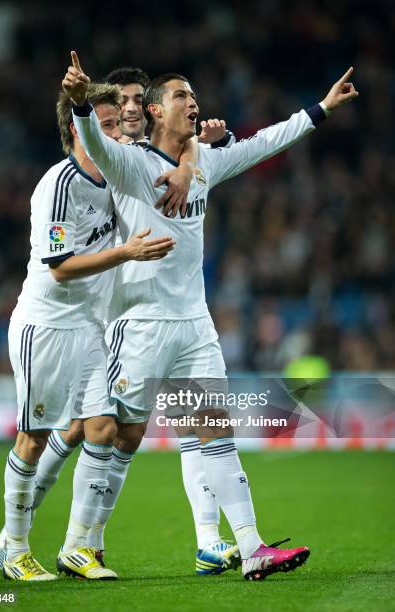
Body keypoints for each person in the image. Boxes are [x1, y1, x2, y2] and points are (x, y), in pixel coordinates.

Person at [63, 50, 358, 581]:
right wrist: (82, 103)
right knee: (113, 434)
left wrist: (321, 109)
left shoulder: (204, 164)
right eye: (181, 95)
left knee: (215, 434)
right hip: (142, 325)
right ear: (154, 111)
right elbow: (97, 148)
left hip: (195, 325)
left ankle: (252, 547)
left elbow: (266, 142)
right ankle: (81, 541)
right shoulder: (133, 166)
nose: (193, 102)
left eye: (194, 94)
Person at [29, 66, 240, 576]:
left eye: (131, 102)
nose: (126, 111)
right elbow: (59, 266)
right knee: (79, 429)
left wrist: (195, 158)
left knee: (117, 428)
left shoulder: (141, 160)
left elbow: (180, 146)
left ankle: (191, 541)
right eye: (118, 104)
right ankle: (24, 524)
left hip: (130, 314)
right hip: (87, 316)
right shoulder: (91, 170)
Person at [0, 82, 176, 581]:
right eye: (106, 124)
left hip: (91, 328)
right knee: (33, 438)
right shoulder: (59, 184)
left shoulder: (115, 182)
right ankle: (13, 546)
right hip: (47, 326)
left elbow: (167, 158)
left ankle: (78, 547)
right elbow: (59, 266)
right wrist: (125, 253)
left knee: (102, 428)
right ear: (79, 129)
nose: (117, 132)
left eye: (117, 124)